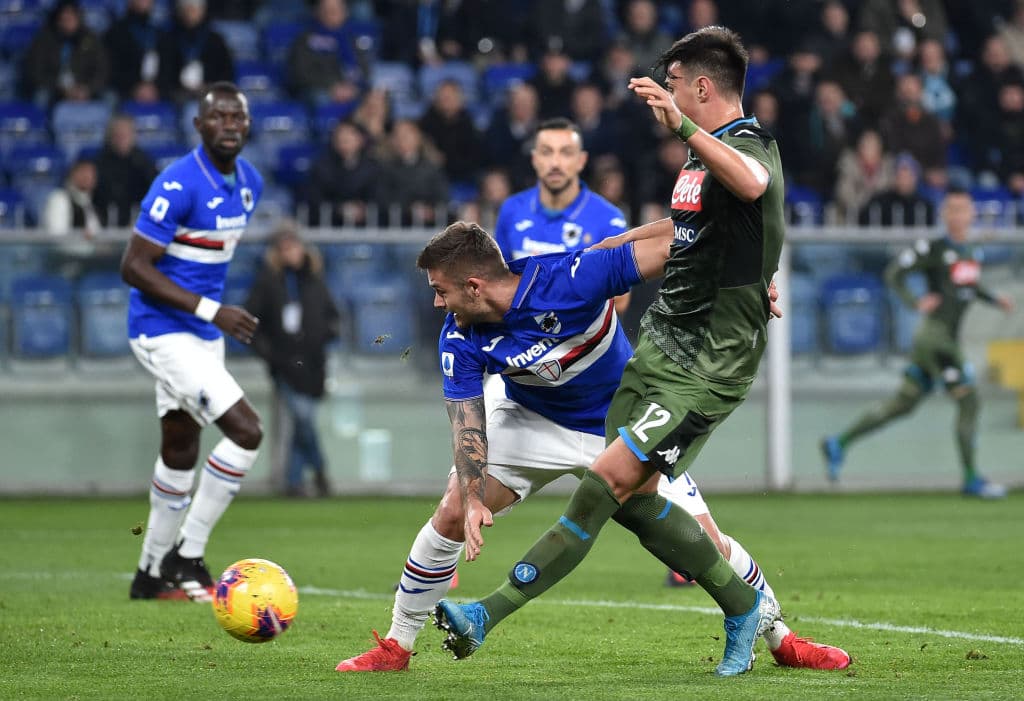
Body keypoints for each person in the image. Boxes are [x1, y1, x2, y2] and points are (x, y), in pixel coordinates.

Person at [431, 26, 793, 677]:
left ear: (701, 86)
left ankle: (488, 612)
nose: (670, 93)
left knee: (605, 482)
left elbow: (754, 186)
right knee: (633, 500)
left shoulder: (746, 142)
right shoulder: (696, 160)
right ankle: (746, 606)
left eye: (677, 83)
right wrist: (608, 254)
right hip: (658, 347)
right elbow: (683, 231)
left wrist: (682, 126)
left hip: (710, 362)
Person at [334, 222, 849, 673]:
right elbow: (468, 423)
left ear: (474, 285)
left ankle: (783, 639)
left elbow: (680, 239)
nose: (436, 303)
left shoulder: (570, 279)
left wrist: (745, 282)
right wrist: (471, 497)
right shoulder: (460, 336)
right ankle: (397, 646)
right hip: (530, 418)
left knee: (706, 542)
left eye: (441, 291)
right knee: (449, 513)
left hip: (621, 423)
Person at [122, 81, 264, 601]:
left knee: (181, 447)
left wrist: (211, 318)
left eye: (238, 118)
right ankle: (188, 554)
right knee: (247, 431)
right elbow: (133, 266)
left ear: (248, 126)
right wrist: (213, 311)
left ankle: (148, 575)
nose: (229, 125)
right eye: (218, 117)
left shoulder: (250, 183)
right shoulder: (177, 184)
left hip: (204, 335)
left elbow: (205, 263)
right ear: (199, 126)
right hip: (162, 331)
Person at [821, 189, 1014, 498]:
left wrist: (995, 300)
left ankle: (838, 443)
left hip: (944, 340)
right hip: (935, 341)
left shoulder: (971, 251)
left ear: (972, 214)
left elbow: (969, 285)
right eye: (952, 210)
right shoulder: (934, 248)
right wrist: (915, 301)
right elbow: (894, 273)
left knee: (902, 405)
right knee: (970, 400)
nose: (959, 216)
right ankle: (971, 479)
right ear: (944, 215)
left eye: (964, 210)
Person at [492, 117, 630, 315]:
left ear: (581, 160)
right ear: (534, 159)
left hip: (581, 342)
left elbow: (621, 301)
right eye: (547, 152)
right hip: (524, 340)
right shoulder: (512, 209)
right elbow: (498, 282)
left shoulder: (607, 219)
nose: (555, 163)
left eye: (565, 153)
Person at [245, 222, 340, 497]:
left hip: (313, 364)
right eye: (284, 248)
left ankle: (293, 481)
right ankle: (320, 470)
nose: (291, 253)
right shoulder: (267, 283)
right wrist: (269, 354)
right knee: (303, 418)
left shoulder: (314, 279)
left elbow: (332, 316)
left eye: (294, 246)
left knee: (302, 423)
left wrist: (324, 335)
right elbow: (251, 323)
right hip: (284, 365)